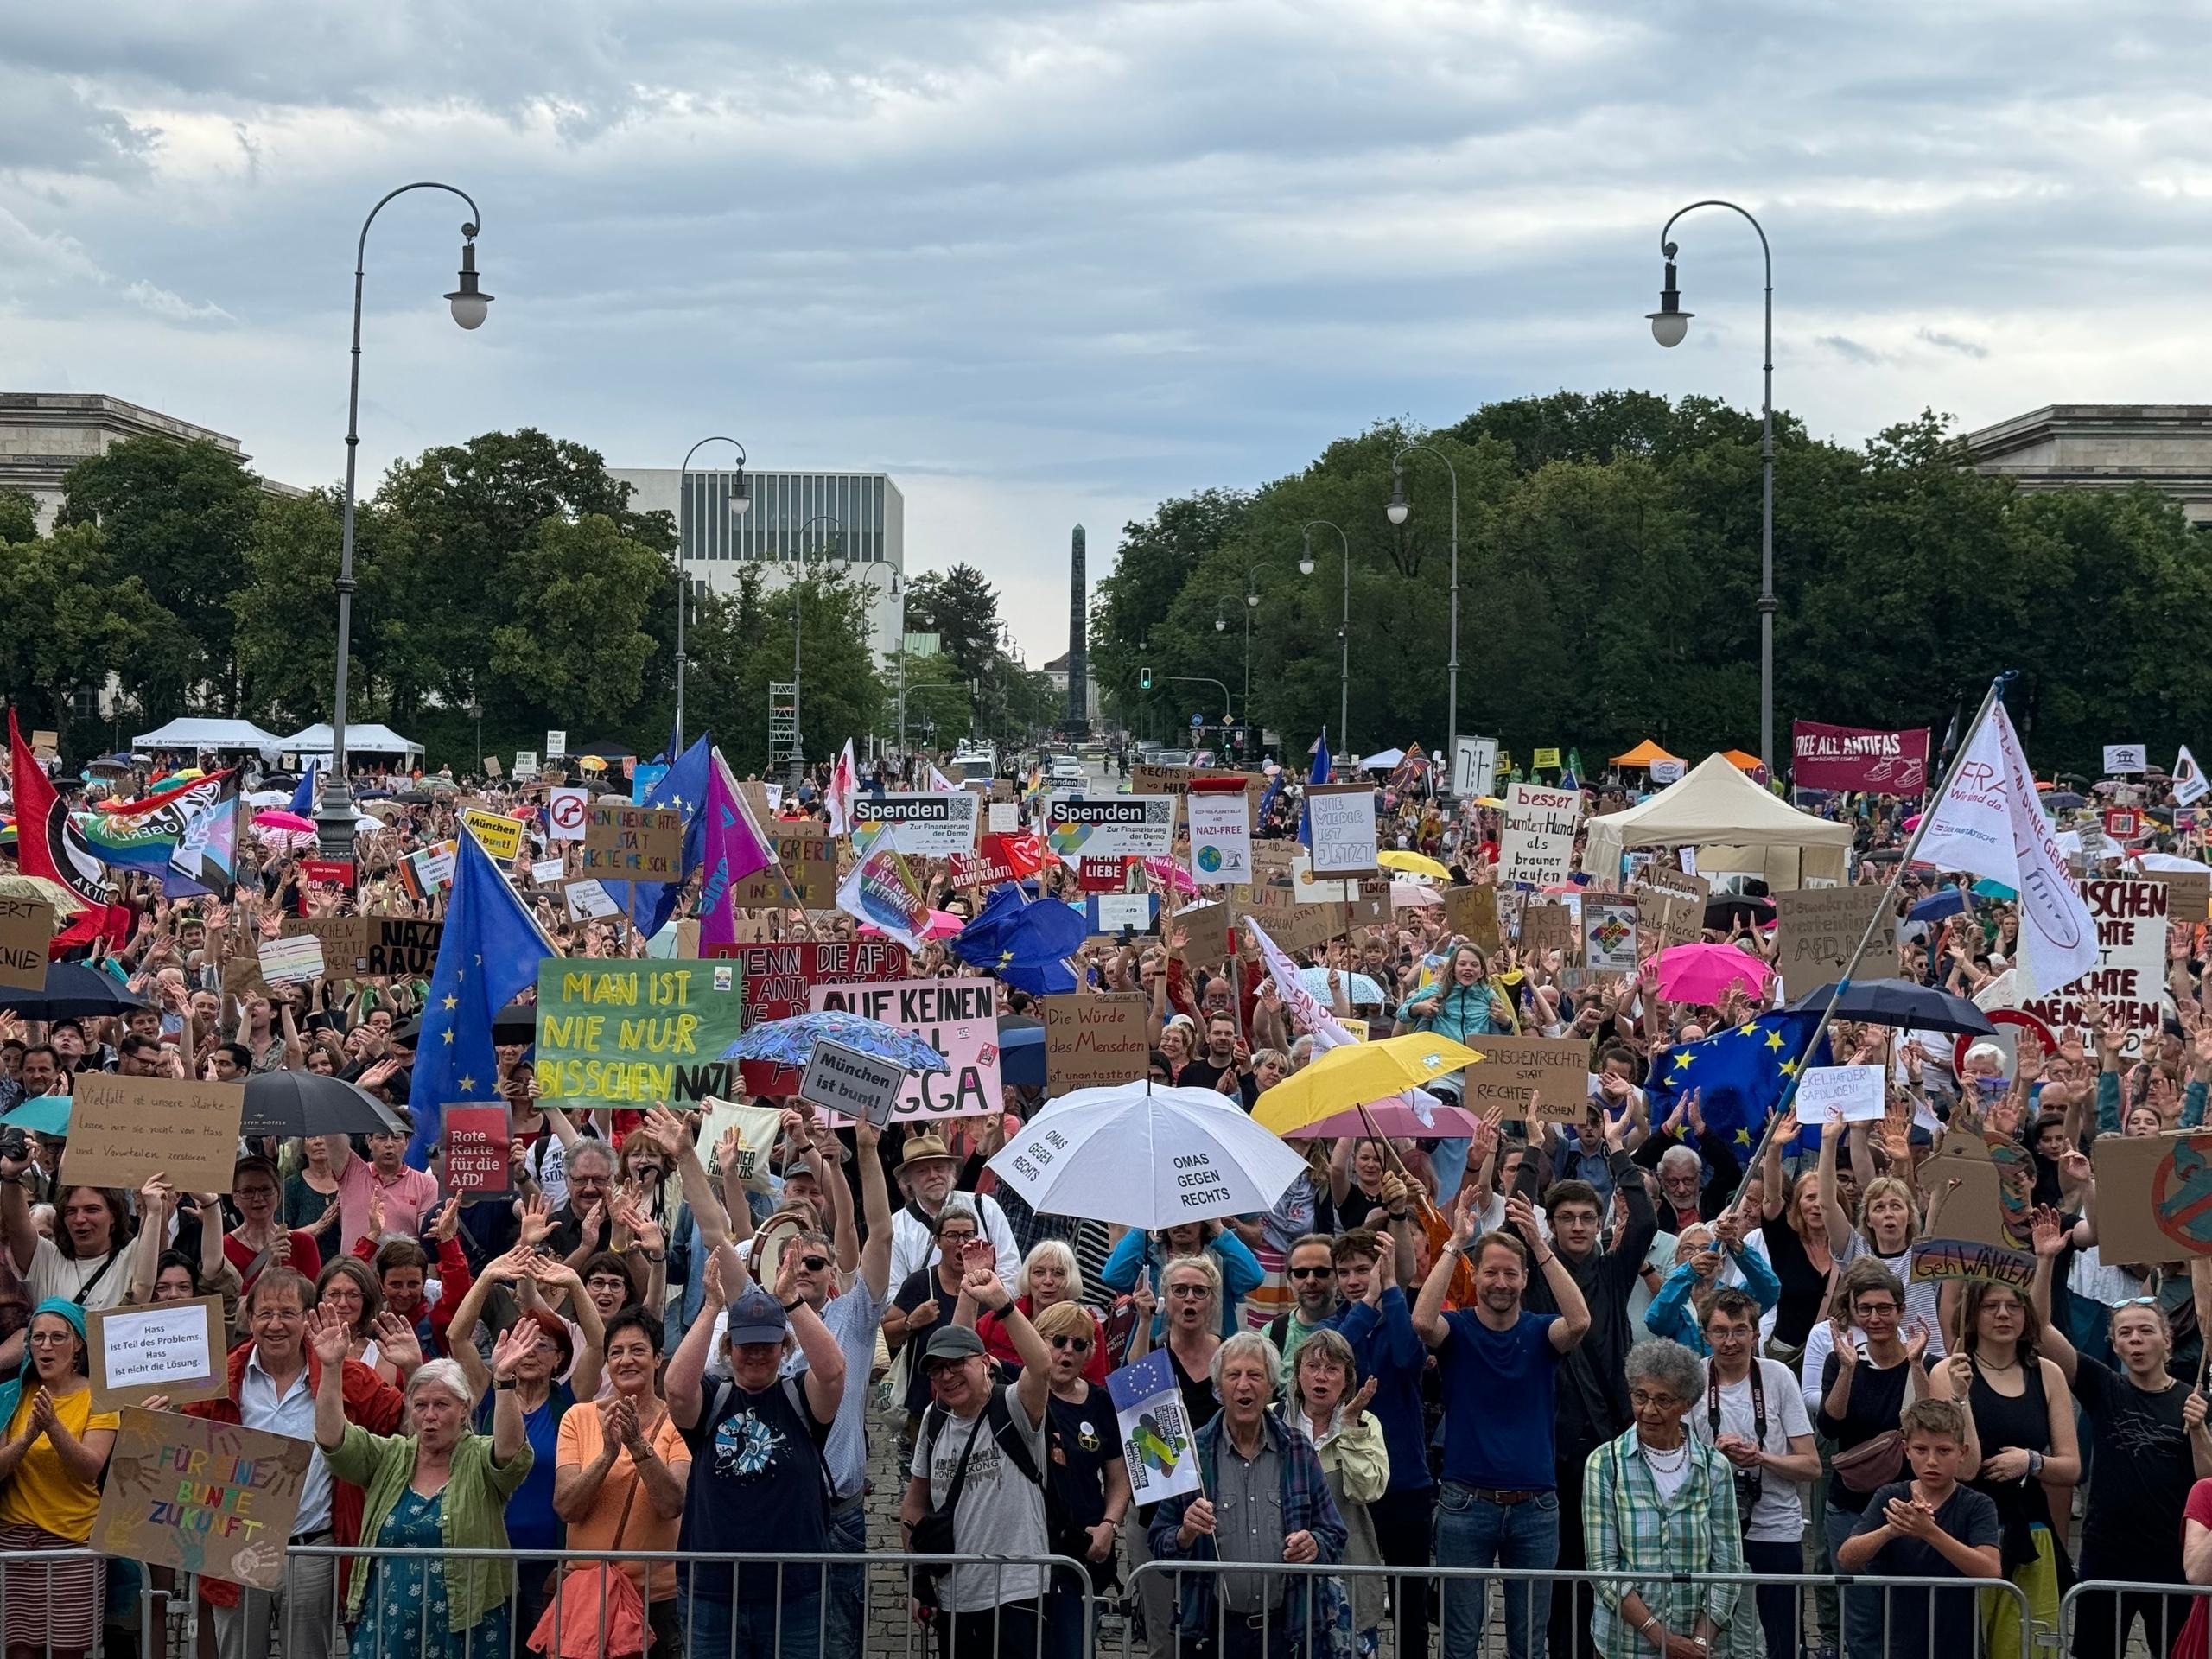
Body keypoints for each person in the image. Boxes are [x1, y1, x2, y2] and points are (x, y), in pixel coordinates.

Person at [175, 1267, 410, 1659]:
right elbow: (181, 1448)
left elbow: (402, 1424)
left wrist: (414, 1367)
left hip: (312, 1548)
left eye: (287, 1312)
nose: (275, 1325)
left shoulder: (343, 1373)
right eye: (265, 1314)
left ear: (307, 1318)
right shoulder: (216, 1379)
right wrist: (157, 1418)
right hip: (236, 1545)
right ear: (248, 1320)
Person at [1414, 1188, 1592, 1659]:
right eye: (1490, 1271)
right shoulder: (1459, 1332)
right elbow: (1422, 1321)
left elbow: (1579, 1322)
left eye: (1509, 1274)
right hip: (1464, 1505)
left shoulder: (1539, 1330)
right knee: (1458, 1643)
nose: (1499, 1282)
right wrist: (1455, 1242)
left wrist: (1539, 1245)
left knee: (1529, 1645)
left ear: (1523, 1280)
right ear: (1478, 1277)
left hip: (1535, 1508)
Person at [2031, 1205, 2212, 1659]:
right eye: (2126, 1333)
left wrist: (2198, 1431)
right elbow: (2041, 1332)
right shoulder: (2103, 1387)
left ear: (2166, 1341)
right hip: (2106, 1556)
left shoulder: (2194, 1399)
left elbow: (2206, 1480)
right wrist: (2047, 1260)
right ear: (2113, 1344)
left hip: (2168, 1557)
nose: (2136, 1340)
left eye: (2146, 1331)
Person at [312, 1305, 536, 1659]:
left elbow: (510, 1451)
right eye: (420, 1405)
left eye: (441, 1405)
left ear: (464, 1408)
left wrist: (504, 1381)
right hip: (388, 1624)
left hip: (466, 1627)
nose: (429, 1416)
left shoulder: (478, 1457)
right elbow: (333, 1440)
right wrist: (330, 1367)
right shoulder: (389, 1456)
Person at [667, 1246, 846, 1659]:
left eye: (768, 1345)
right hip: (712, 1592)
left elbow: (835, 1372)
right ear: (729, 1349)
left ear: (784, 1347)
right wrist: (711, 1308)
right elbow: (676, 1389)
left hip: (795, 1593)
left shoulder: (800, 1397)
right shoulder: (713, 1398)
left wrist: (791, 1301)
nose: (758, 1354)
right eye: (746, 1345)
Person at [1150, 1331, 1350, 1659]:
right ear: (1218, 1388)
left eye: (1255, 1375)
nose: (1244, 1385)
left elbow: (1335, 1536)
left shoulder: (1298, 1450)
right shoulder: (1191, 1454)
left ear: (1271, 1386)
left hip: (1288, 1633)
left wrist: (1315, 1544)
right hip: (1211, 1633)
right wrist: (1184, 1533)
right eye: (1233, 1375)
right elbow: (1159, 1546)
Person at [1530, 1145, 1655, 1659]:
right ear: (1552, 1226)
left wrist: (1618, 1151)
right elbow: (1516, 1213)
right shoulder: (1536, 1272)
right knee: (1559, 1560)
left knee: (1603, 1557)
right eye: (1566, 1219)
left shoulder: (1613, 1271)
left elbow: (1644, 1218)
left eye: (1587, 1217)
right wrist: (1534, 1149)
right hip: (1551, 1437)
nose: (1578, 1227)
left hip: (1608, 1437)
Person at [901, 1272, 1055, 1659]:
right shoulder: (934, 1421)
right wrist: (918, 1581)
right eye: (936, 1370)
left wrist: (1003, 1305)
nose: (947, 1376)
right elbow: (914, 1504)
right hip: (956, 1597)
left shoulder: (1014, 1406)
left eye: (957, 1364)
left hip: (1019, 1591)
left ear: (986, 1362)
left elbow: (1041, 1367)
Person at [1927, 1280, 2080, 1659]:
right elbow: (1962, 1468)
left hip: (2031, 1530)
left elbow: (2071, 1467)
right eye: (1990, 1306)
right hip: (1967, 1532)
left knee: (2026, 1648)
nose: (2002, 1315)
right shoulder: (1948, 1371)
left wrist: (2031, 1461)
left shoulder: (2047, 1374)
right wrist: (1961, 1399)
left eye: (2013, 1306)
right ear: (1972, 1313)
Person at [1581, 1338, 1743, 1659]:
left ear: (1687, 1403)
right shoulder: (1605, 1463)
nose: (1649, 1410)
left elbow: (1728, 1565)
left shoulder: (1714, 1467)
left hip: (1700, 1647)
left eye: (1664, 1400)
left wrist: (1697, 1644)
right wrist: (1661, 1638)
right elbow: (1602, 1567)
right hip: (1623, 1646)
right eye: (1640, 1397)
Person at [554, 1308, 692, 1659]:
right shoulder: (578, 1417)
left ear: (658, 1358)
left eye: (638, 1351)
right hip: (587, 1596)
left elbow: (671, 1504)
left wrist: (638, 1446)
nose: (626, 1361)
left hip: (655, 1599)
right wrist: (607, 1455)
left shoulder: (681, 1422)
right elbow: (567, 1507)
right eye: (616, 1352)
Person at [1692, 1287, 1821, 1659]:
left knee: (1782, 1639)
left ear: (1756, 1333)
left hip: (1775, 1528)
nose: (1730, 1342)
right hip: (1711, 1529)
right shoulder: (1694, 1378)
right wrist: (1715, 1458)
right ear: (1705, 1335)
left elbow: (1811, 1466)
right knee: (1709, 1640)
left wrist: (1761, 1458)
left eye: (1739, 1330)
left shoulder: (1777, 1376)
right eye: (1719, 1332)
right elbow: (1679, 1461)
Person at [1816, 1257, 1935, 1659]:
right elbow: (1830, 1428)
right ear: (1852, 1313)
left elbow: (1931, 1427)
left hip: (1911, 1506)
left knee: (1912, 1616)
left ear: (1901, 1310)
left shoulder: (1924, 1361)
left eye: (1885, 1308)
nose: (1876, 1317)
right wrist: (1849, 1370)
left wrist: (1916, 1365)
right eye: (1865, 1309)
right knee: (1862, 1620)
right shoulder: (1841, 1360)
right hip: (1851, 1505)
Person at [1834, 1398, 2004, 1657]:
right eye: (1921, 1450)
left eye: (1943, 1451)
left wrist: (1929, 1532)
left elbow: (1991, 1570)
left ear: (1962, 1452)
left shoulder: (1978, 1505)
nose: (1932, 1461)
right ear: (1906, 1450)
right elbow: (1846, 1557)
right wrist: (1890, 1530)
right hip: (1899, 1641)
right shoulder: (1890, 1496)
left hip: (1959, 1643)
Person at [0, 1300, 118, 1659]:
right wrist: (27, 1438)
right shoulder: (12, 1395)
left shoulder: (100, 1397)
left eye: (57, 1337)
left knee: (68, 1650)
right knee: (20, 1650)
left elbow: (90, 1467)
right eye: (37, 1338)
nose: (46, 1347)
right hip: (15, 1541)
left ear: (79, 1343)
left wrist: (52, 1427)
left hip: (73, 1543)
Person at [1033, 1299, 1130, 1659]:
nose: (1067, 1352)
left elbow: (1118, 1477)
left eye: (1079, 1344)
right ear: (1039, 1341)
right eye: (1058, 1341)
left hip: (1083, 1548)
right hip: (1030, 1545)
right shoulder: (1019, 1392)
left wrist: (1109, 1524)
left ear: (1090, 1352)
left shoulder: (1100, 1403)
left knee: (1075, 1647)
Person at [1281, 1326, 1389, 1650]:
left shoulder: (1366, 1424)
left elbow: (1368, 1490)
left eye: (1332, 1369)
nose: (1321, 1377)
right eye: (1313, 1367)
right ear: (1298, 1374)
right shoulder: (1273, 1421)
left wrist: (1351, 1428)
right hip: (1283, 1574)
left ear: (1347, 1378)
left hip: (1348, 1571)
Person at [0, 1140, 133, 1313]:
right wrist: (10, 1177)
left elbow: (156, 1232)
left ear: (114, 1215)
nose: (79, 1219)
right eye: (70, 1211)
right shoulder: (47, 1260)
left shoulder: (132, 1259)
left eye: (91, 1210)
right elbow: (17, 1228)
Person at [887, 1132, 1020, 1286]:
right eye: (922, 1171)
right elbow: (892, 1288)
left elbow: (1011, 1268)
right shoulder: (897, 1226)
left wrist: (995, 1304)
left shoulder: (984, 1206)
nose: (933, 1176)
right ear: (907, 1180)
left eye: (939, 1168)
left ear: (951, 1171)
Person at [976, 1237, 1107, 1383]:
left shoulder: (1088, 1326)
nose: (1048, 1281)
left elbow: (1097, 1385)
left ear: (1071, 1279)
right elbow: (967, 1351)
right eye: (1039, 1272)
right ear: (1027, 1277)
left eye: (1058, 1273)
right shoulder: (1001, 1315)